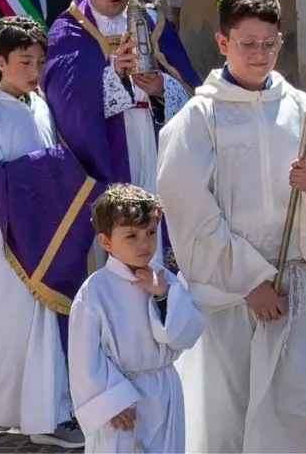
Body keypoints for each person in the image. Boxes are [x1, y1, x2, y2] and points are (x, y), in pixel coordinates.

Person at [155, 0, 306, 452]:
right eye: (247, 44)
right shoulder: (200, 119)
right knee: (232, 417)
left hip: (297, 289)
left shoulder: (303, 111)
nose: (260, 53)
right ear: (223, 43)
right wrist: (249, 280)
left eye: (269, 43)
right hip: (232, 296)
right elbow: (189, 208)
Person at [0, 16, 91, 450]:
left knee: (47, 327)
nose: (35, 72)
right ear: (0, 61)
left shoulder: (40, 103)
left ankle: (48, 412)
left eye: (40, 61)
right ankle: (32, 412)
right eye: (24, 62)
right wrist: (46, 168)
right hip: (13, 241)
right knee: (19, 326)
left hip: (46, 237)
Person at [43, 0, 200, 199]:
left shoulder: (152, 22)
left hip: (155, 144)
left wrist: (161, 89)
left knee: (158, 225)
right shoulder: (68, 31)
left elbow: (189, 90)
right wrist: (114, 76)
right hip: (107, 149)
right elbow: (67, 105)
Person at [69, 184, 205, 454]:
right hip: (123, 402)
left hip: (164, 392)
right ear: (106, 242)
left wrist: (162, 295)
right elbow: (84, 356)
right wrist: (111, 401)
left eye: (151, 232)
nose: (145, 244)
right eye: (131, 235)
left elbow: (186, 334)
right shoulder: (95, 292)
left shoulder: (163, 279)